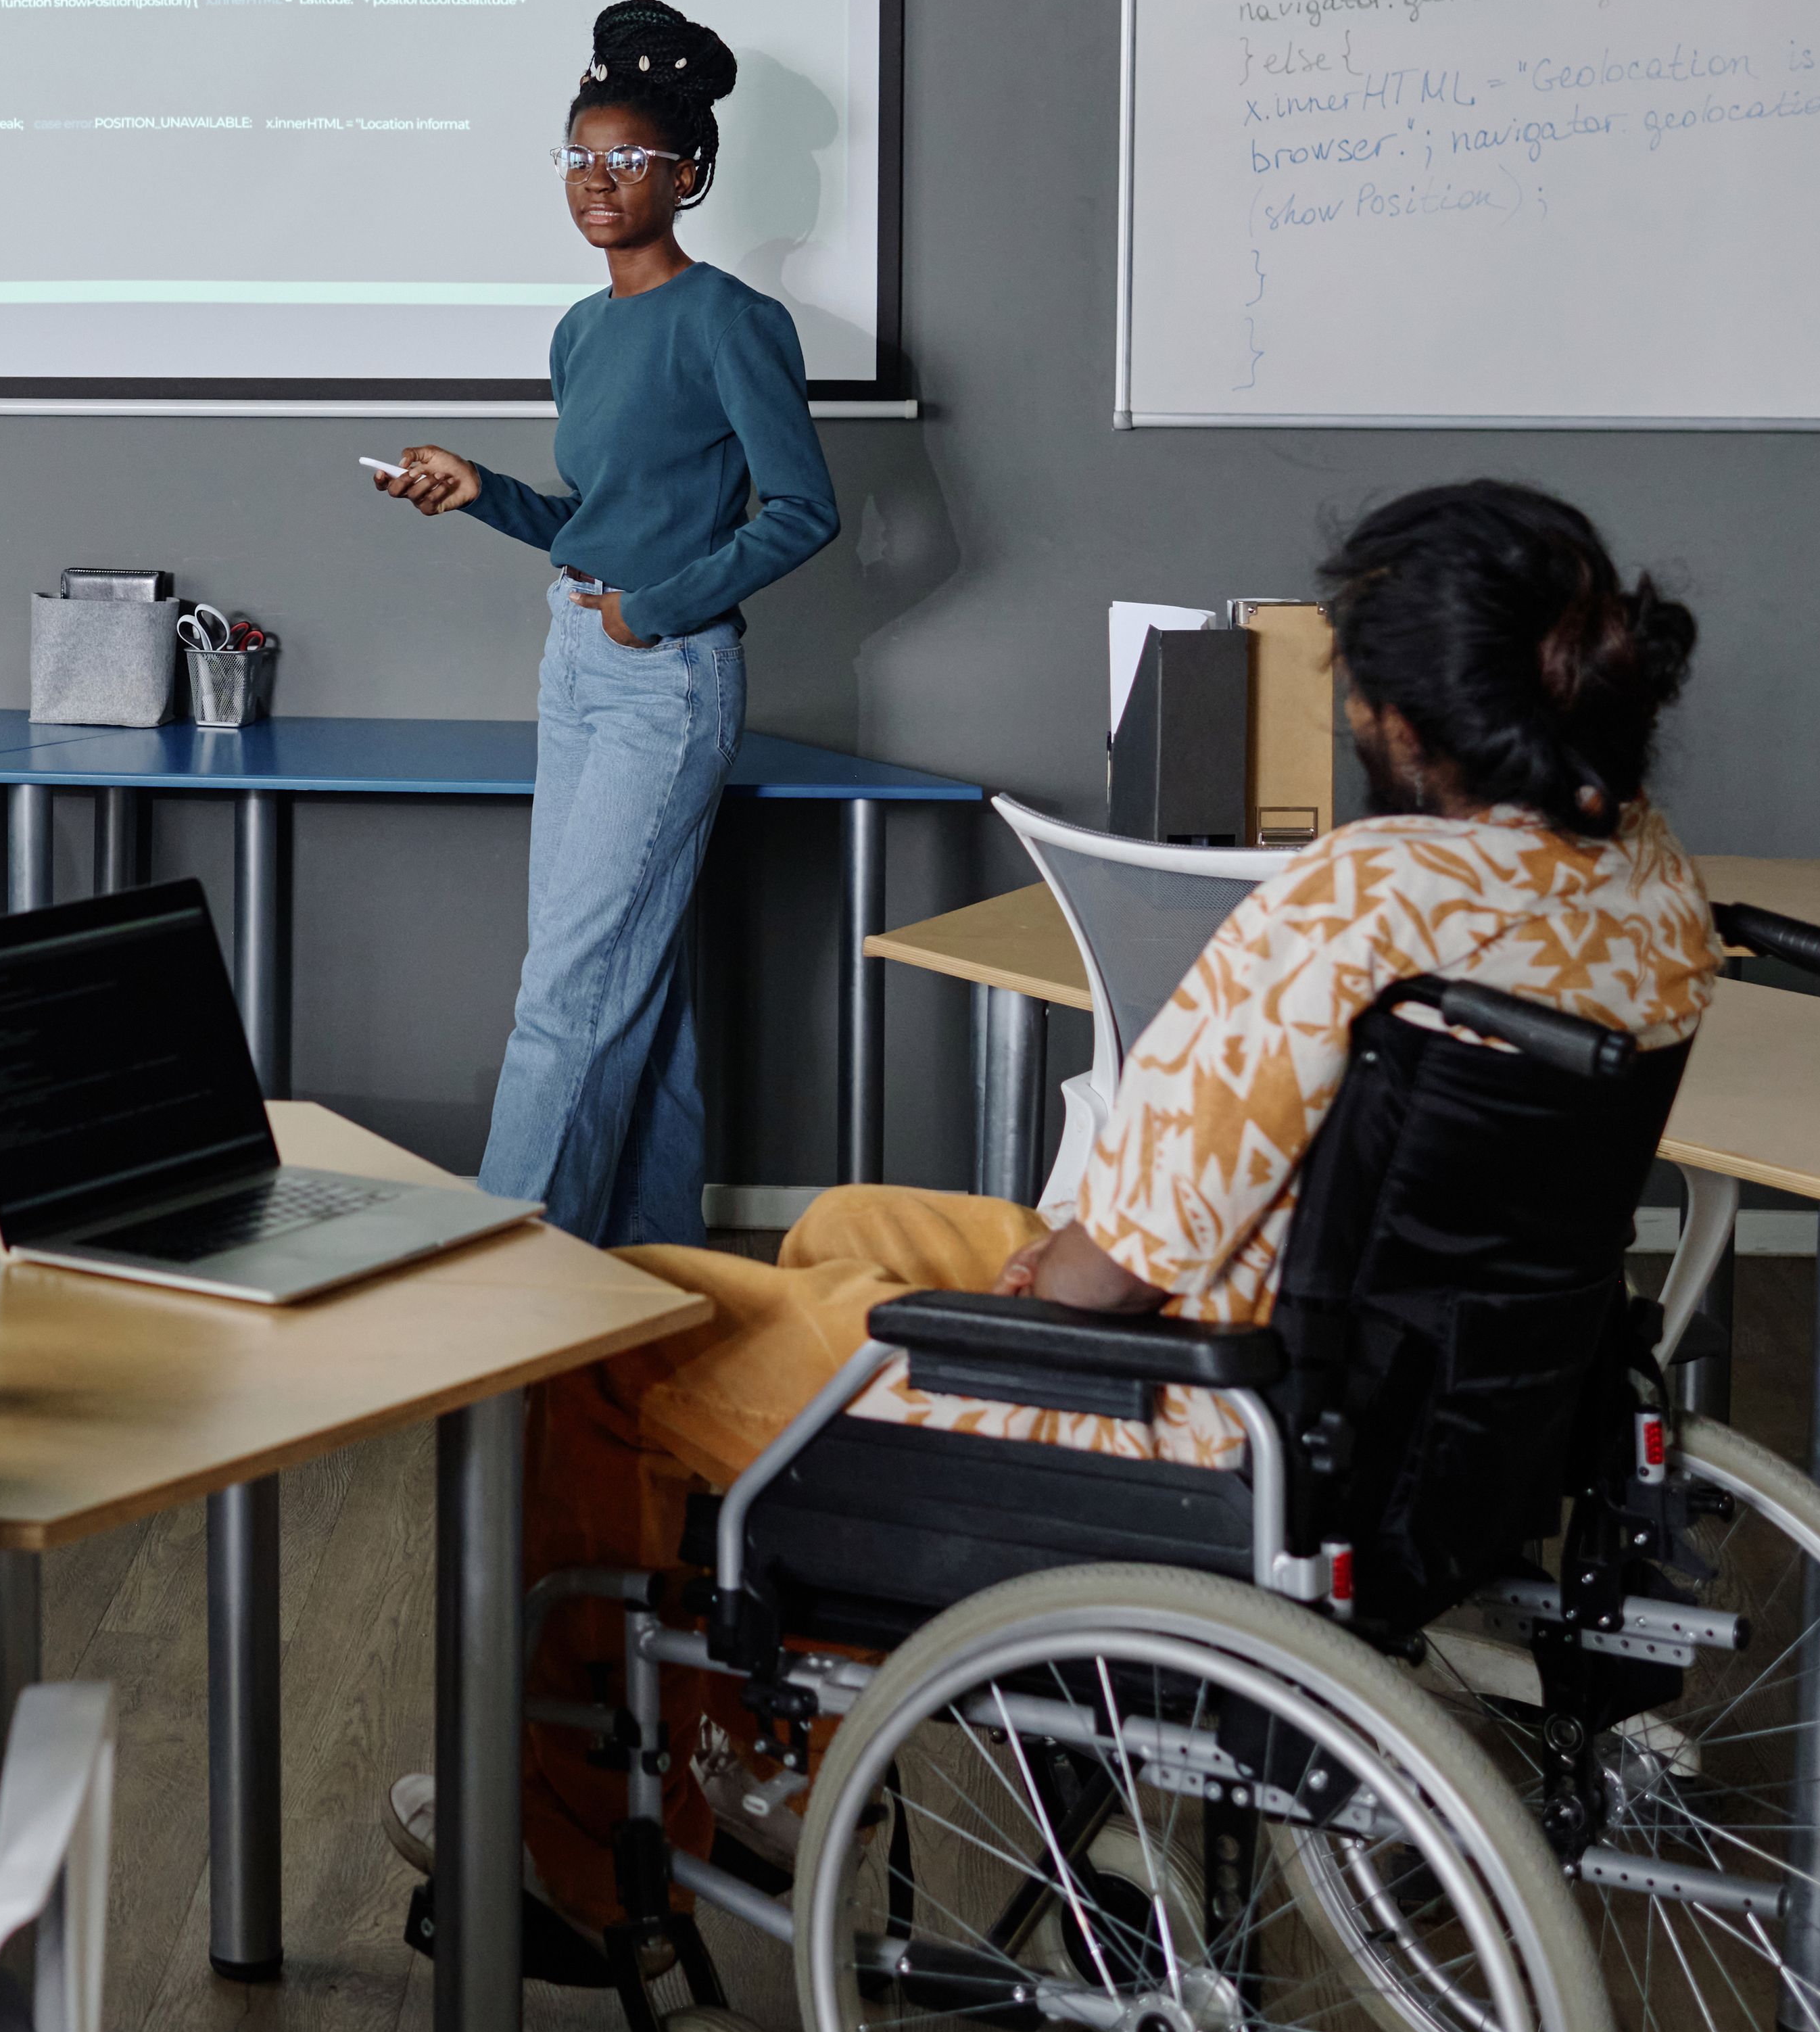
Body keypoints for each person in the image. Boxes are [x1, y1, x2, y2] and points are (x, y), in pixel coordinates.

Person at [410, 477, 1719, 1944]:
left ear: (1405, 721)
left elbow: (1115, 1268)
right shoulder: (1651, 883)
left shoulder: (1363, 898)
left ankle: (581, 1874)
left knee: (618, 1333)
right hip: (1418, 1393)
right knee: (850, 1229)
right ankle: (780, 1757)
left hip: (1195, 1409)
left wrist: (1034, 1299)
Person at [378, 0, 839, 1250]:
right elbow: (602, 515)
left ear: (688, 175)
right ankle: (646, 1268)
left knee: (566, 995)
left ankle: (494, 1287)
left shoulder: (733, 319)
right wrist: (483, 495)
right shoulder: (582, 330)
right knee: (634, 984)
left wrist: (654, 613)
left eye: (628, 159)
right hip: (573, 660)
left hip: (664, 674)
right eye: (579, 157)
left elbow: (802, 511)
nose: (597, 181)